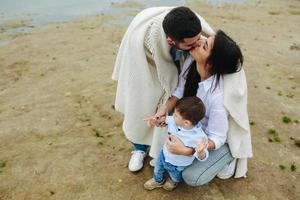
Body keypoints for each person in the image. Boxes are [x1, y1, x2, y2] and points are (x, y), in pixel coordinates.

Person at [112, 6, 215, 172]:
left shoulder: (192, 28)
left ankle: (162, 148)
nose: (198, 44)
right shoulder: (145, 39)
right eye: (190, 44)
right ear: (170, 41)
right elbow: (141, 77)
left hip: (178, 59)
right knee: (143, 103)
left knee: (174, 107)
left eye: (198, 39)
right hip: (147, 62)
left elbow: (180, 84)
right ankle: (139, 147)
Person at [149, 30, 253, 186]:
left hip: (211, 137)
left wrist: (187, 151)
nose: (198, 42)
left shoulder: (217, 97)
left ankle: (229, 156)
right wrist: (164, 109)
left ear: (210, 63)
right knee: (167, 151)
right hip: (193, 128)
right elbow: (178, 92)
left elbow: (217, 137)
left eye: (204, 46)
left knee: (191, 177)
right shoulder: (193, 62)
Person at [144, 96, 209, 191]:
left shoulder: (199, 137)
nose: (172, 115)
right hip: (164, 154)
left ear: (186, 122)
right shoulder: (174, 121)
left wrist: (200, 152)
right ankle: (158, 180)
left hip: (179, 164)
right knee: (158, 168)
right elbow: (165, 119)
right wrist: (155, 120)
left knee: (175, 175)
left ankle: (173, 181)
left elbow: (204, 156)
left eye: (175, 115)